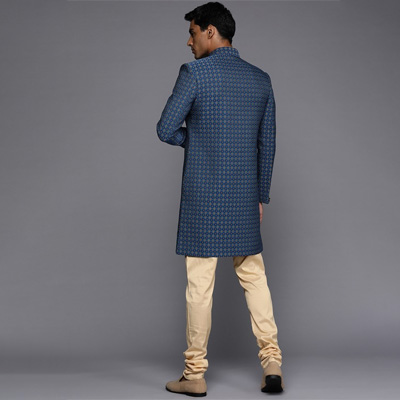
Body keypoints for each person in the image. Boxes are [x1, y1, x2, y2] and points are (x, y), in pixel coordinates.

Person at [156, 1, 284, 396]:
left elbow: (165, 128)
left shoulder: (194, 73)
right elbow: (267, 145)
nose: (189, 41)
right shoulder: (260, 79)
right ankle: (272, 364)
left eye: (193, 32)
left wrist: (196, 142)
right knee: (255, 278)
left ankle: (194, 374)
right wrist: (259, 195)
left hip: (204, 196)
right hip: (244, 197)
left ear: (211, 31)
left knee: (200, 286)